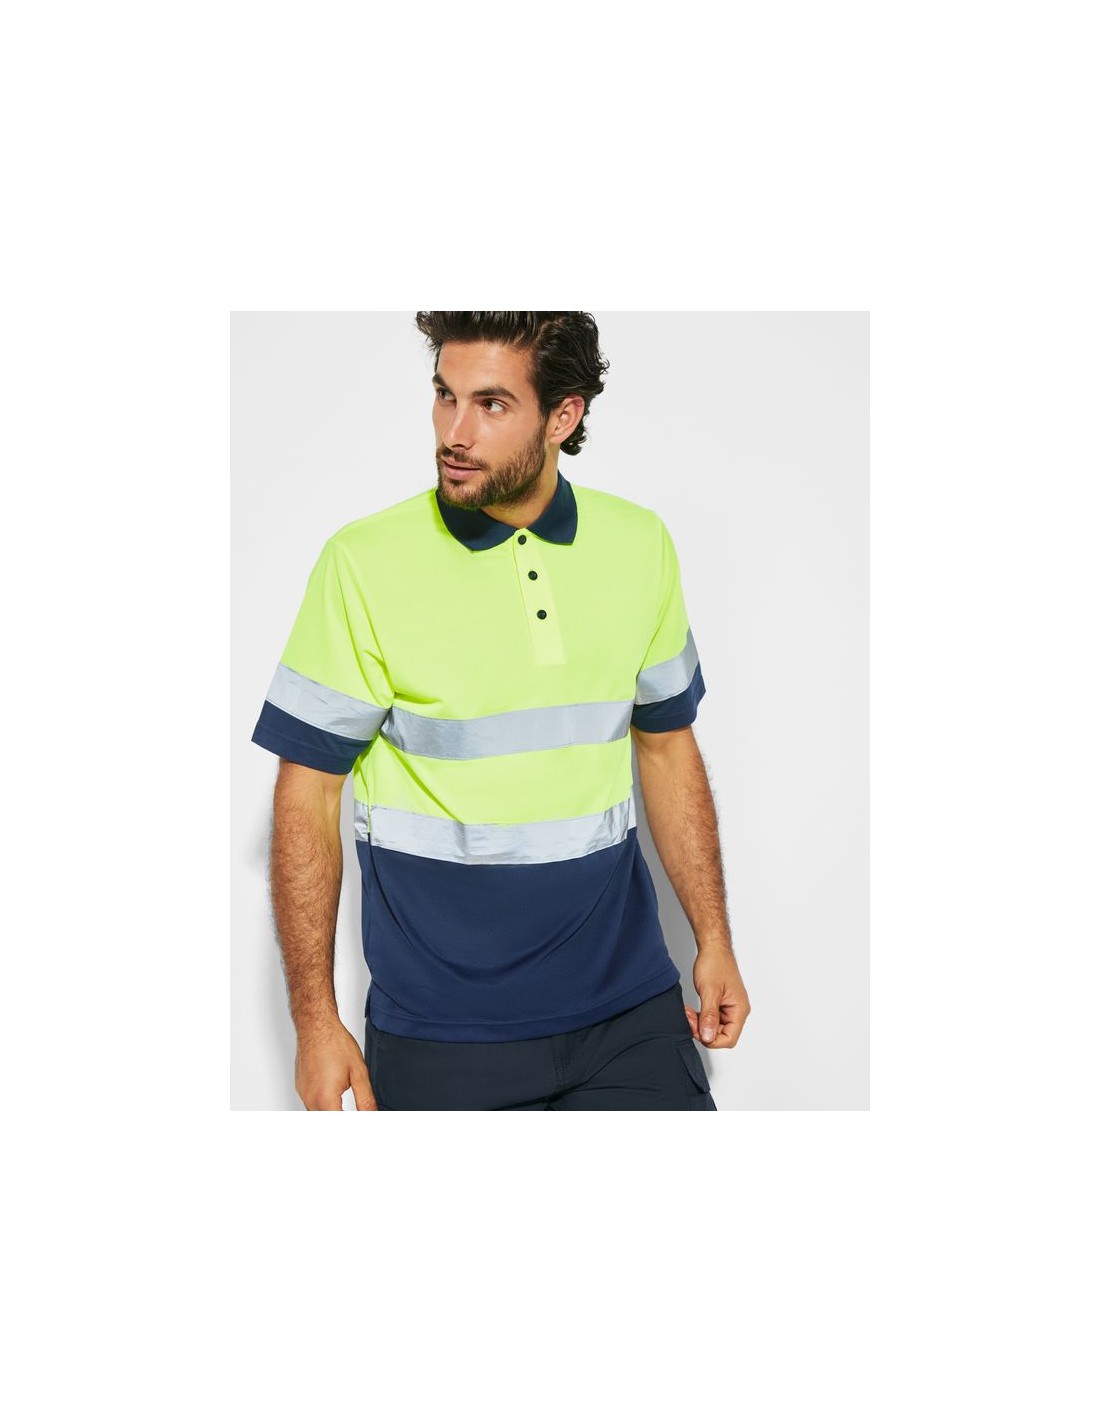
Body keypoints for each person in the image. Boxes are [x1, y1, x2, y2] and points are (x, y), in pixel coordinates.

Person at [251, 311, 750, 1110]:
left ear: (563, 416)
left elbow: (667, 747)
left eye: (490, 404)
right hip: (441, 1035)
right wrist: (316, 1022)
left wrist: (714, 938)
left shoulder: (640, 545)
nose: (454, 432)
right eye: (444, 396)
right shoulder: (362, 564)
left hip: (629, 1016)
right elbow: (307, 791)